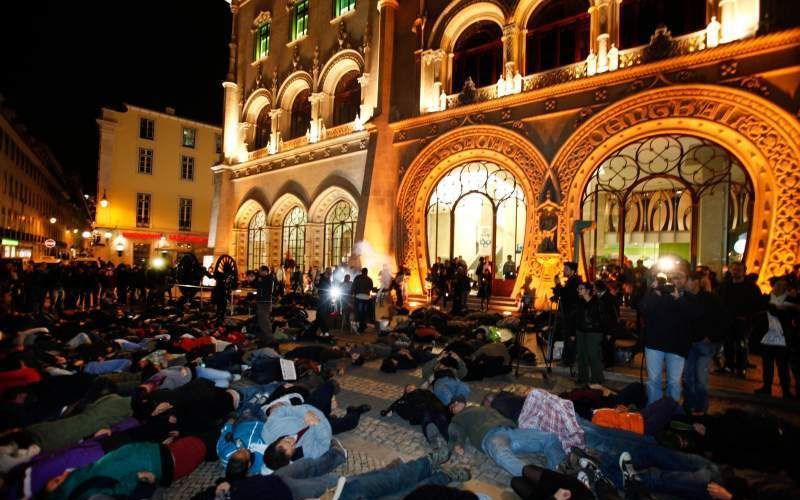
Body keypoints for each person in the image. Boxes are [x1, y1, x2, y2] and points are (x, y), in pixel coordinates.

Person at [448, 397, 566, 477]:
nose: (455, 404)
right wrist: (458, 443)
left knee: (549, 438)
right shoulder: (458, 418)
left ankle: (561, 473)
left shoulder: (482, 407)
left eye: (456, 402)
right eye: (452, 406)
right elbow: (457, 431)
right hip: (490, 435)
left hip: (511, 430)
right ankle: (543, 480)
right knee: (502, 455)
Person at [638, 264, 700, 405]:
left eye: (678, 277)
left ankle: (671, 411)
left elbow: (694, 315)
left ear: (685, 280)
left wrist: (679, 299)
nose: (674, 280)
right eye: (671, 277)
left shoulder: (688, 297)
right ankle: (654, 410)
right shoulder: (657, 293)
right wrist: (653, 291)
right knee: (654, 380)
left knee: (674, 381)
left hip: (677, 345)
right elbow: (643, 308)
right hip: (655, 343)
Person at [683, 271, 728, 414]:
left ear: (695, 282)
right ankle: (689, 405)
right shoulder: (684, 298)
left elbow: (722, 319)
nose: (684, 284)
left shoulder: (710, 298)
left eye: (687, 280)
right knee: (688, 377)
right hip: (689, 343)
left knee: (700, 378)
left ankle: (700, 408)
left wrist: (711, 337)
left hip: (704, 343)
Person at [755, 276, 796, 398]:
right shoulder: (766, 299)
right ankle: (766, 387)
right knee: (767, 365)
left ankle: (786, 390)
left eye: (783, 286)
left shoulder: (791, 301)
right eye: (778, 285)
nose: (780, 288)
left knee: (783, 366)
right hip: (767, 336)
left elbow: (787, 316)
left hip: (783, 337)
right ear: (773, 285)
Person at [718, 262, 762, 377]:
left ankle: (741, 368)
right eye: (734, 269)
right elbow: (719, 301)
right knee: (728, 344)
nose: (736, 271)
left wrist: (748, 317)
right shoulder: (725, 285)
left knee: (741, 345)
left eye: (738, 269)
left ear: (744, 271)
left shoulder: (751, 287)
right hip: (727, 320)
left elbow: (757, 304)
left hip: (743, 321)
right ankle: (728, 366)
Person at [571, 282, 607, 386]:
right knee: (582, 356)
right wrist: (573, 332)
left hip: (593, 333)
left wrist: (604, 332)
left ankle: (597, 379)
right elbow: (575, 319)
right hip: (581, 332)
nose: (578, 290)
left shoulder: (597, 302)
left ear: (587, 290)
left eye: (581, 288)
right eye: (578, 288)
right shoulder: (579, 303)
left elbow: (603, 318)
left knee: (593, 355)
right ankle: (583, 378)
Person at [254, 266, 275, 342]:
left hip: (265, 301)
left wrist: (260, 280)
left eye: (260, 271)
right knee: (261, 320)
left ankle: (269, 338)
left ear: (265, 271)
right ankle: (265, 337)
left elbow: (266, 287)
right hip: (262, 301)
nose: (259, 273)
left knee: (265, 320)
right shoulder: (263, 278)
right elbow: (257, 285)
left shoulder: (269, 278)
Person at [351, 267, 373, 334]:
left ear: (362, 272)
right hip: (366, 298)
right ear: (367, 272)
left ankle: (361, 327)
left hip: (358, 297)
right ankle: (363, 325)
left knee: (359, 312)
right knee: (364, 312)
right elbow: (371, 288)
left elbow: (353, 286)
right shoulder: (369, 279)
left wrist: (352, 293)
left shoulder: (357, 278)